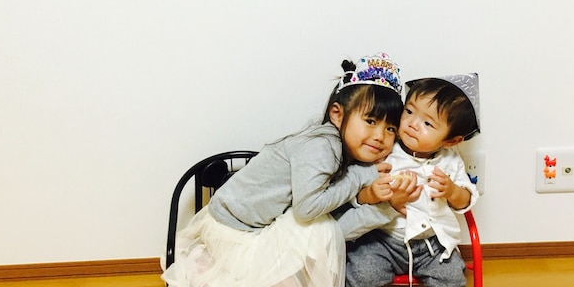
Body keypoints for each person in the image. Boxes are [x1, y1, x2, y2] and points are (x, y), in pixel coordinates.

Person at [162, 53, 405, 287]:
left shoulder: (343, 149)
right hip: (232, 229)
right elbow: (308, 208)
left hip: (252, 222)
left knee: (320, 230)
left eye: (391, 129)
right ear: (337, 115)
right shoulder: (323, 146)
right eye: (370, 121)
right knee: (318, 231)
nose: (380, 136)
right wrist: (360, 176)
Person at [343, 73, 481, 287]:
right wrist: (371, 193)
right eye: (408, 111)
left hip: (432, 244)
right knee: (363, 274)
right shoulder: (385, 149)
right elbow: (355, 192)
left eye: (427, 123)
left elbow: (465, 202)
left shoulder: (450, 161)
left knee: (451, 278)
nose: (412, 124)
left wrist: (452, 191)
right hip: (382, 239)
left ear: (451, 141)